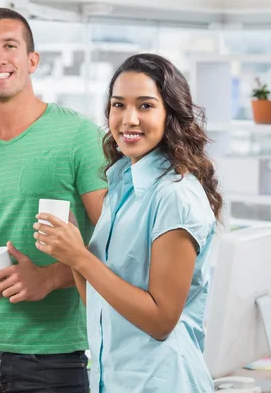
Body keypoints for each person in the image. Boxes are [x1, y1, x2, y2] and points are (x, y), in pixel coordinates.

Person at [0, 7, 107, 393]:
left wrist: (48, 278)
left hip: (52, 354)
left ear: (32, 60)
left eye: (9, 46)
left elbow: (115, 246)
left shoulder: (80, 137)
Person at [33, 53, 221, 392]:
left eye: (145, 106)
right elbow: (102, 307)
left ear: (170, 115)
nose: (128, 119)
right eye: (118, 105)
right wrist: (73, 252)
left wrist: (81, 257)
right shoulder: (121, 184)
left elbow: (161, 320)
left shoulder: (174, 196)